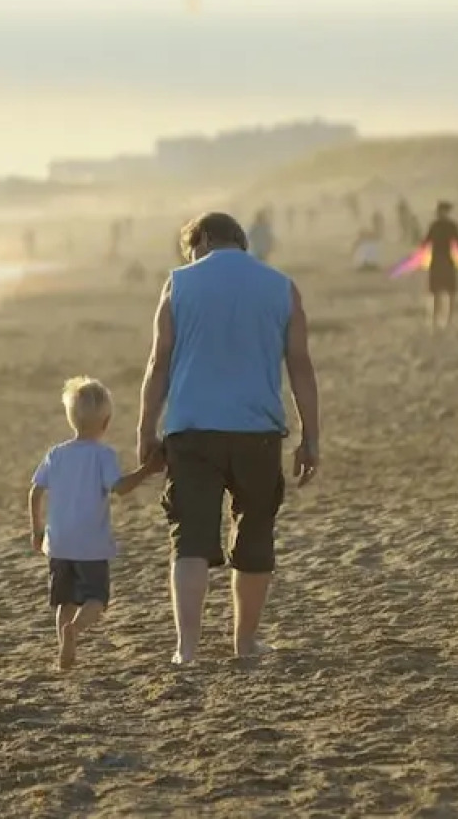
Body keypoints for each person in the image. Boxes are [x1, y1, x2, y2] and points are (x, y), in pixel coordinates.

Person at [137, 212, 321, 666]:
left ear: (200, 243)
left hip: (192, 429)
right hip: (257, 430)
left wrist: (145, 429)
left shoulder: (178, 284)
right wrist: (310, 436)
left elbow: (159, 363)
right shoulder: (281, 286)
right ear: (240, 242)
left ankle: (188, 648)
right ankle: (244, 641)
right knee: (254, 536)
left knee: (191, 539)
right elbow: (300, 364)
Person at [28, 378, 158, 671]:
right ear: (107, 421)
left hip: (58, 542)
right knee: (96, 599)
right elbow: (120, 488)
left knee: (64, 599)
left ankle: (65, 649)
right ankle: (74, 631)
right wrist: (147, 470)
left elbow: (35, 491)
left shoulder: (56, 454)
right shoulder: (103, 455)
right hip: (91, 544)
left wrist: (36, 530)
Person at [423, 202, 458, 328]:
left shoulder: (449, 226)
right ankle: (435, 319)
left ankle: (447, 319)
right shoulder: (436, 226)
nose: (443, 213)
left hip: (444, 260)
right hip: (439, 261)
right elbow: (426, 243)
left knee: (449, 291)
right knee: (437, 292)